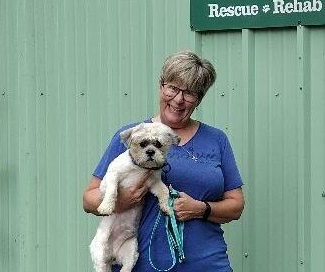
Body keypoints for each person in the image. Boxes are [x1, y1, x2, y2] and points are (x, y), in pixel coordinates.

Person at [82, 50, 245, 271]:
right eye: (173, 88)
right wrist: (120, 200)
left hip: (208, 263)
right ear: (161, 87)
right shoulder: (133, 136)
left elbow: (235, 205)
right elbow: (89, 199)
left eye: (189, 93)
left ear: (199, 100)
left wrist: (201, 209)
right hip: (144, 263)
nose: (179, 99)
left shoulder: (216, 139)